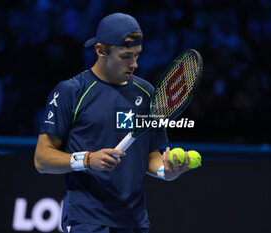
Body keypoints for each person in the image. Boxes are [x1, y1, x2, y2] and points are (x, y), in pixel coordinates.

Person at [34, 13, 198, 233]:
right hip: (86, 220)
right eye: (126, 56)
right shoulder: (70, 91)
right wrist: (88, 160)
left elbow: (149, 155)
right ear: (100, 50)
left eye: (137, 55)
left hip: (134, 222)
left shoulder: (148, 93)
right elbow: (42, 159)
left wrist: (166, 171)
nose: (134, 64)